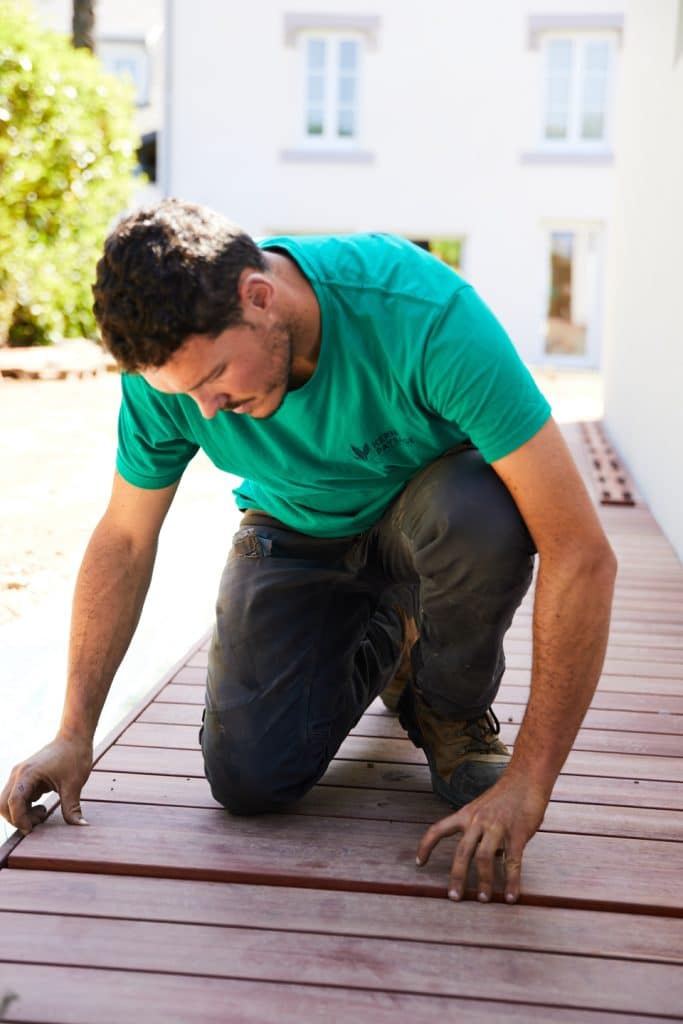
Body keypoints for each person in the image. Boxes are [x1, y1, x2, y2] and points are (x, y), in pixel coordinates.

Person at [0, 200, 616, 903]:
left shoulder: (421, 314)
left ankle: (448, 711)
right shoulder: (168, 383)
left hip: (427, 513)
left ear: (258, 297)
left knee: (479, 515)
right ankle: (398, 637)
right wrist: (74, 731)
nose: (205, 409)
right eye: (184, 392)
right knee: (250, 780)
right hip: (294, 525)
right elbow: (125, 537)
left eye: (215, 379)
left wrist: (528, 785)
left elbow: (580, 552)